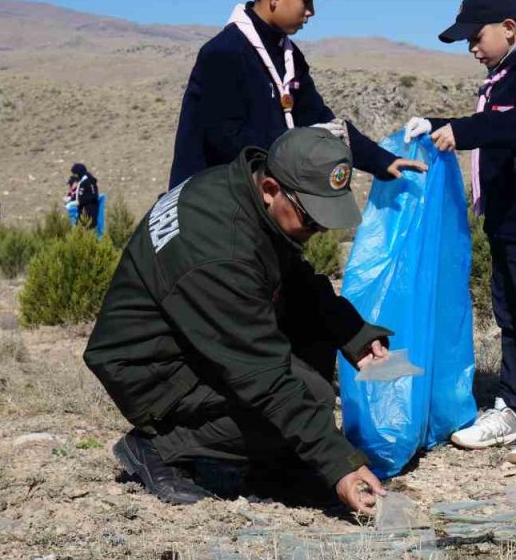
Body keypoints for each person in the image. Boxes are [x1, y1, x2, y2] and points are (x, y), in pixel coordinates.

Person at [84, 128, 393, 513]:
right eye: (311, 219)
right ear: (269, 188)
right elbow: (265, 378)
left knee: (312, 334)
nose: (320, 230)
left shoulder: (237, 191)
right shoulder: (220, 253)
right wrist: (340, 467)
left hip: (189, 334)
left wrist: (353, 333)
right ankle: (161, 446)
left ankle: (277, 462)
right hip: (150, 368)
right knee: (309, 393)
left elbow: (293, 275)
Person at [404, 0, 516, 467]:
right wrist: (437, 122)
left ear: (509, 28)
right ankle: (514, 407)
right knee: (512, 319)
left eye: (475, 38)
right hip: (505, 223)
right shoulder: (501, 78)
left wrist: (464, 131)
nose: (471, 49)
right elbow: (491, 124)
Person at [168, 0, 426, 190]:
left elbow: (322, 121)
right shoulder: (224, 53)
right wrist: (299, 144)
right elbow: (226, 139)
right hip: (212, 206)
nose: (311, 12)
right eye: (306, 0)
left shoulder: (290, 56)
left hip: (260, 204)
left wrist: (381, 161)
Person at [67, 163, 100, 229]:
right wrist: (72, 200)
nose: (74, 176)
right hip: (82, 213)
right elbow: (80, 195)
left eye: (75, 174)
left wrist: (80, 201)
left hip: (89, 213)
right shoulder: (82, 181)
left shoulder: (89, 181)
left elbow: (94, 196)